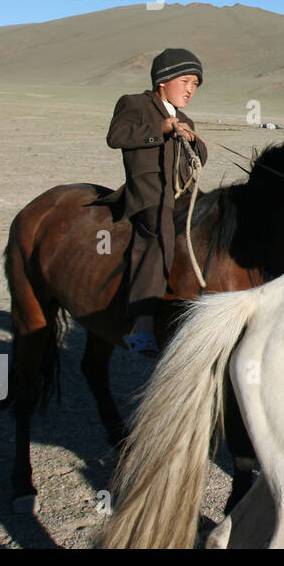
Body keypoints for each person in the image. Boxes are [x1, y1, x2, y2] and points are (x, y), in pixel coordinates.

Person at [102, 48, 208, 358]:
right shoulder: (134, 104)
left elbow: (201, 155)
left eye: (196, 85)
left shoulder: (184, 118)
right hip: (147, 192)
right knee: (159, 232)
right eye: (186, 81)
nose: (191, 90)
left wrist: (192, 140)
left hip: (180, 195)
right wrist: (159, 130)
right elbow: (116, 136)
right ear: (163, 80)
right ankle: (143, 322)